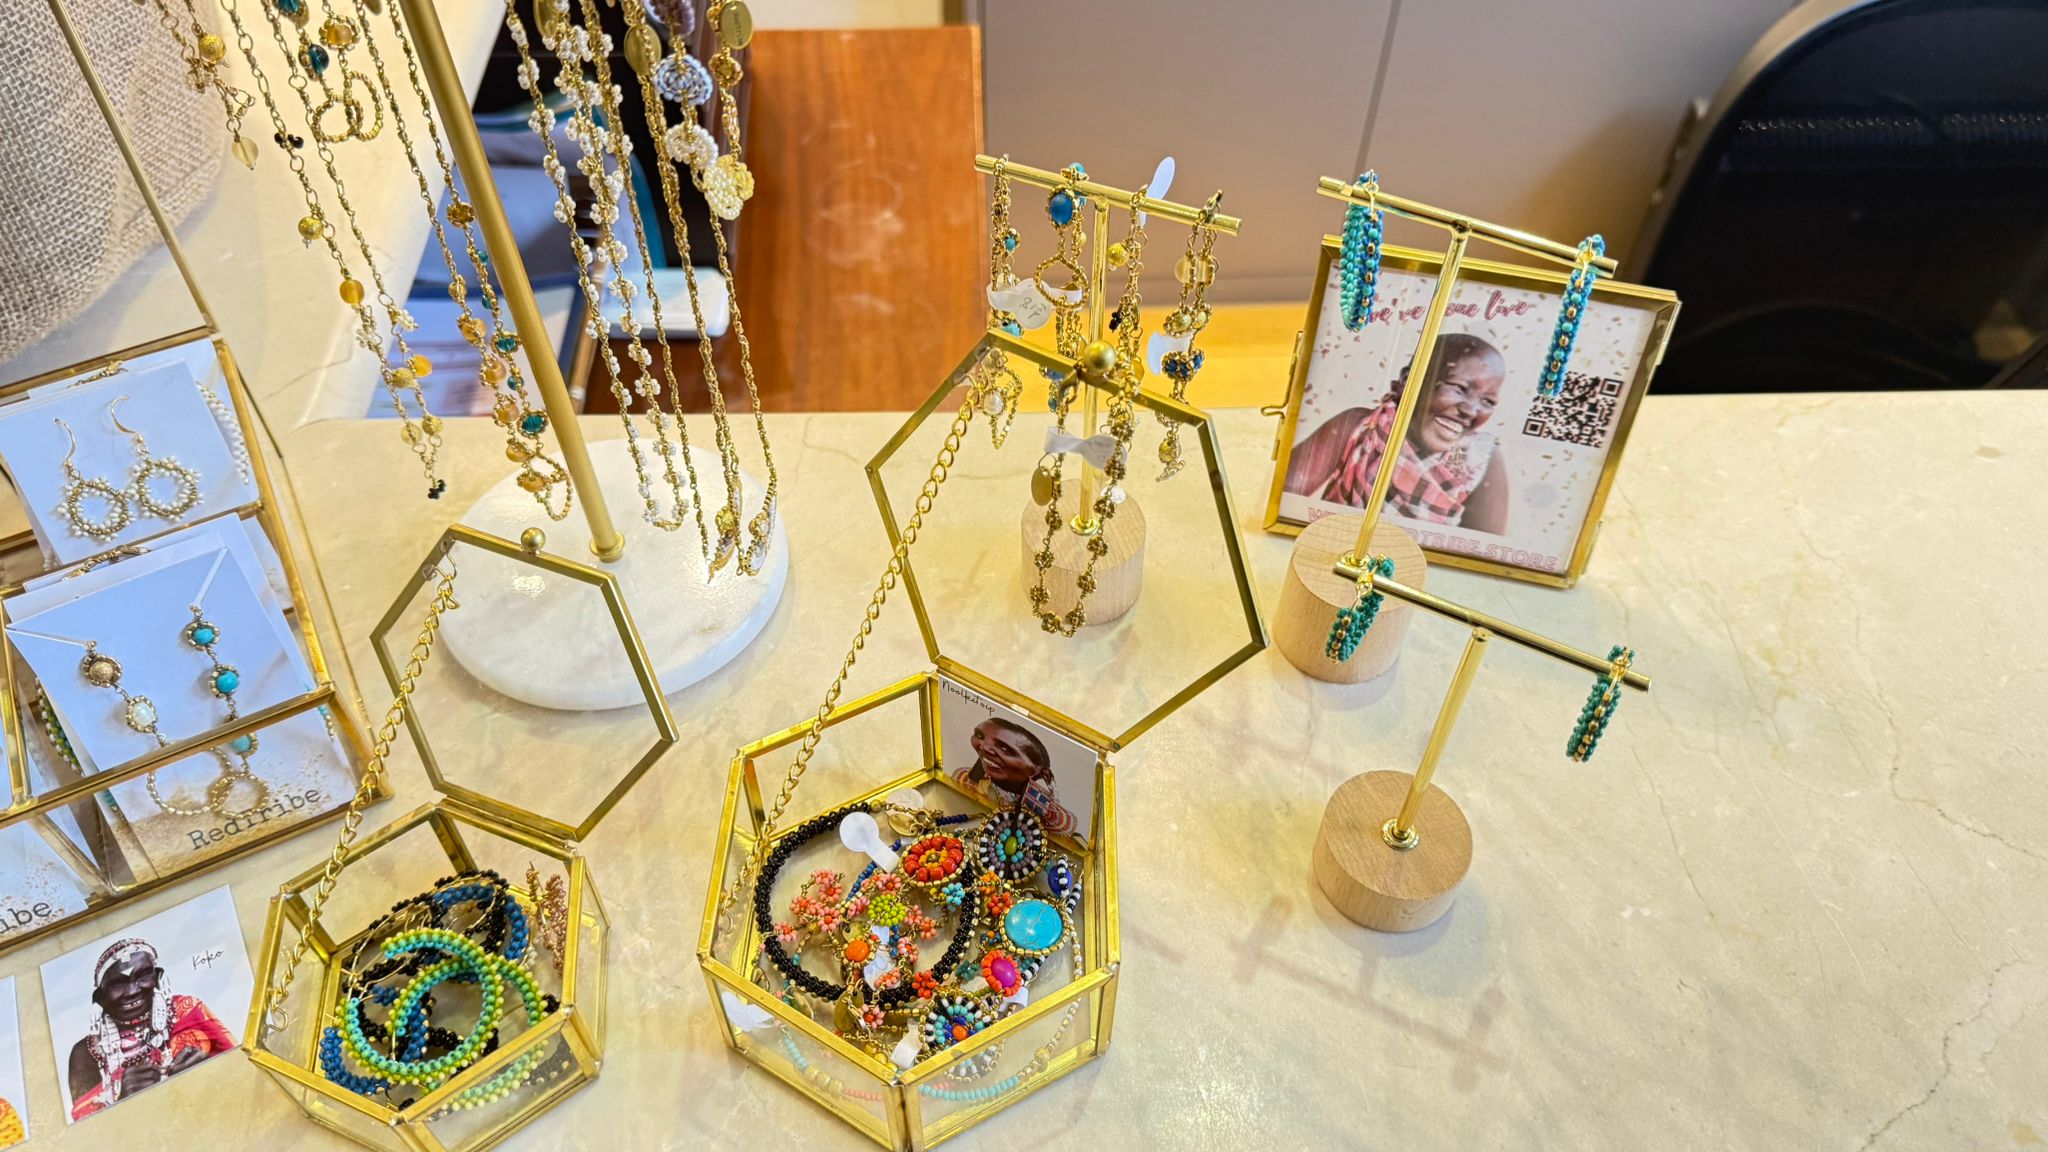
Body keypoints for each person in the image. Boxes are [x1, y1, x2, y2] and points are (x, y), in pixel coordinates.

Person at [1285, 332, 1512, 533]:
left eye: (1488, 401)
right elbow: (1284, 498)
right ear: (1408, 381)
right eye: (1459, 388)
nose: (1470, 410)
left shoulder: (1481, 459)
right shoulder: (1361, 426)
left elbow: (1480, 549)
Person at [67, 939, 235, 1120]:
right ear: (100, 997)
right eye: (117, 983)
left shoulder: (188, 1010)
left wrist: (207, 1067)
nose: (132, 991)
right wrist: (123, 1101)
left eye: (143, 975)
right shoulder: (85, 1053)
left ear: (157, 977)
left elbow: (237, 1065)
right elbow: (89, 1127)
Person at [951, 717, 1077, 837]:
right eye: (980, 736)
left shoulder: (1047, 808)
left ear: (1044, 774)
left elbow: (1066, 825)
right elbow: (959, 777)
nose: (983, 747)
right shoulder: (979, 780)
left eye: (1004, 748)